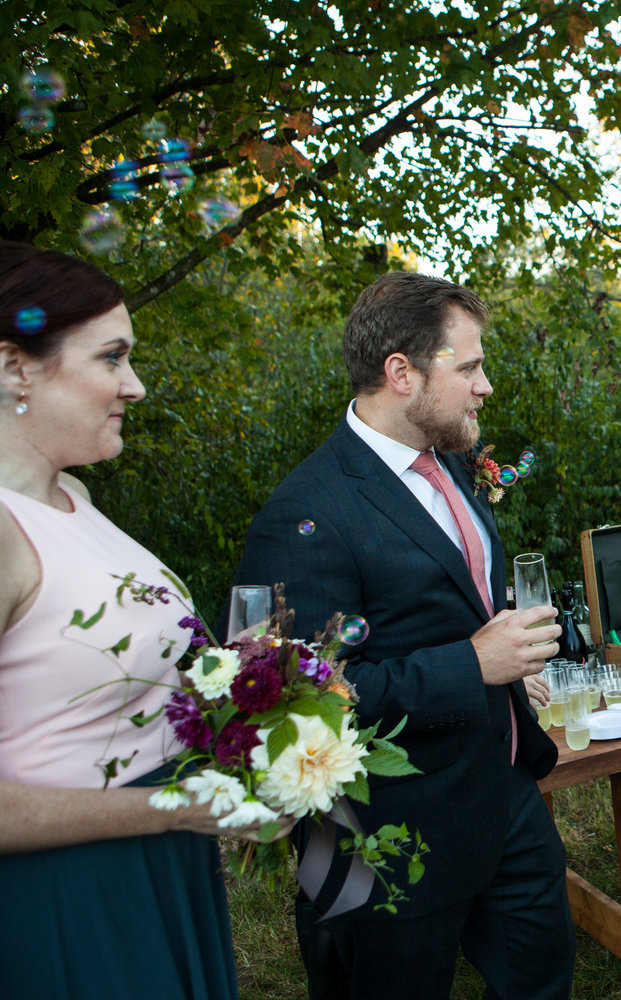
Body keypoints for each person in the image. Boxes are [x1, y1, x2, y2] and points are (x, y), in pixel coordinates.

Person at [228, 271, 573, 1000]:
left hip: (505, 799)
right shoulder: (302, 513)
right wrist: (472, 664)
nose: (485, 385)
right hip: (389, 837)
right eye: (471, 365)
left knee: (542, 981)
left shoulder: (450, 466)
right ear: (401, 372)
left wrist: (507, 669)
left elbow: (446, 605)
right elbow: (290, 705)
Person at [0, 243, 282, 998]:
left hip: (164, 862)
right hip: (67, 895)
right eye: (112, 358)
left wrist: (248, 686)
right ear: (13, 367)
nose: (136, 385)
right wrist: (168, 810)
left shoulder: (74, 501)